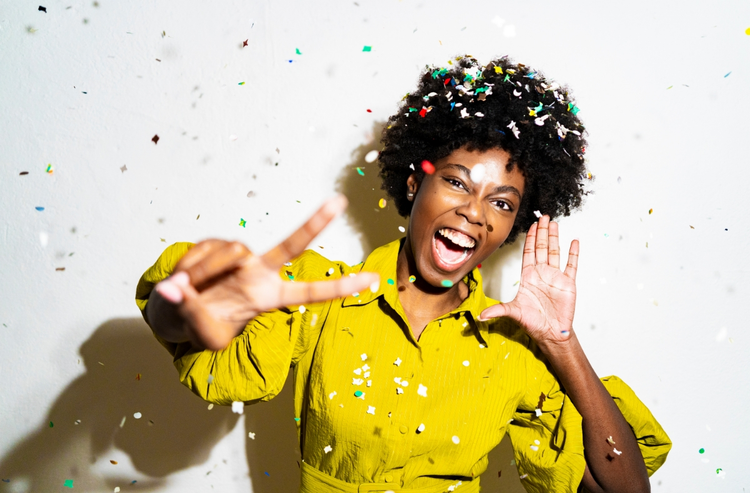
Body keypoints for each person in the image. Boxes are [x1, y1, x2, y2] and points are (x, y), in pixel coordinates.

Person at [135, 55, 671, 493]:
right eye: (458, 183)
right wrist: (181, 304)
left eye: (502, 203)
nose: (476, 213)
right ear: (415, 182)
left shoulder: (514, 352)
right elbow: (178, 327)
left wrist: (562, 343)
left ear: (513, 226)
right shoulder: (316, 293)